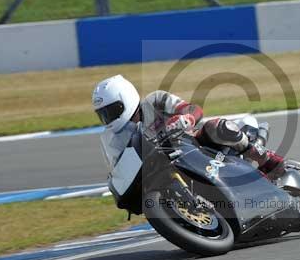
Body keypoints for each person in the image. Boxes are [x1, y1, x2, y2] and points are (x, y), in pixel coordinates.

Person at [92, 75, 286, 181]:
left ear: (126, 99)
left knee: (216, 127)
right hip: (165, 169)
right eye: (103, 114)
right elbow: (118, 168)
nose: (109, 118)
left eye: (111, 111)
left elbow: (193, 108)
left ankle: (264, 158)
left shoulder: (155, 100)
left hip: (198, 146)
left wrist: (187, 118)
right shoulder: (114, 139)